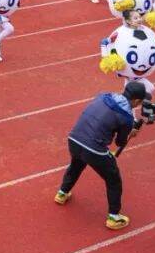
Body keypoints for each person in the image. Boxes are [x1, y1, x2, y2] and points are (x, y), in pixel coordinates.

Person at [54, 80, 148, 231]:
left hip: (74, 139)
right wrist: (131, 133)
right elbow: (119, 142)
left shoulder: (103, 95)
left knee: (77, 165)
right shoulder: (127, 116)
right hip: (94, 149)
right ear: (136, 100)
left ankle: (62, 193)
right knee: (113, 180)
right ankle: (113, 217)